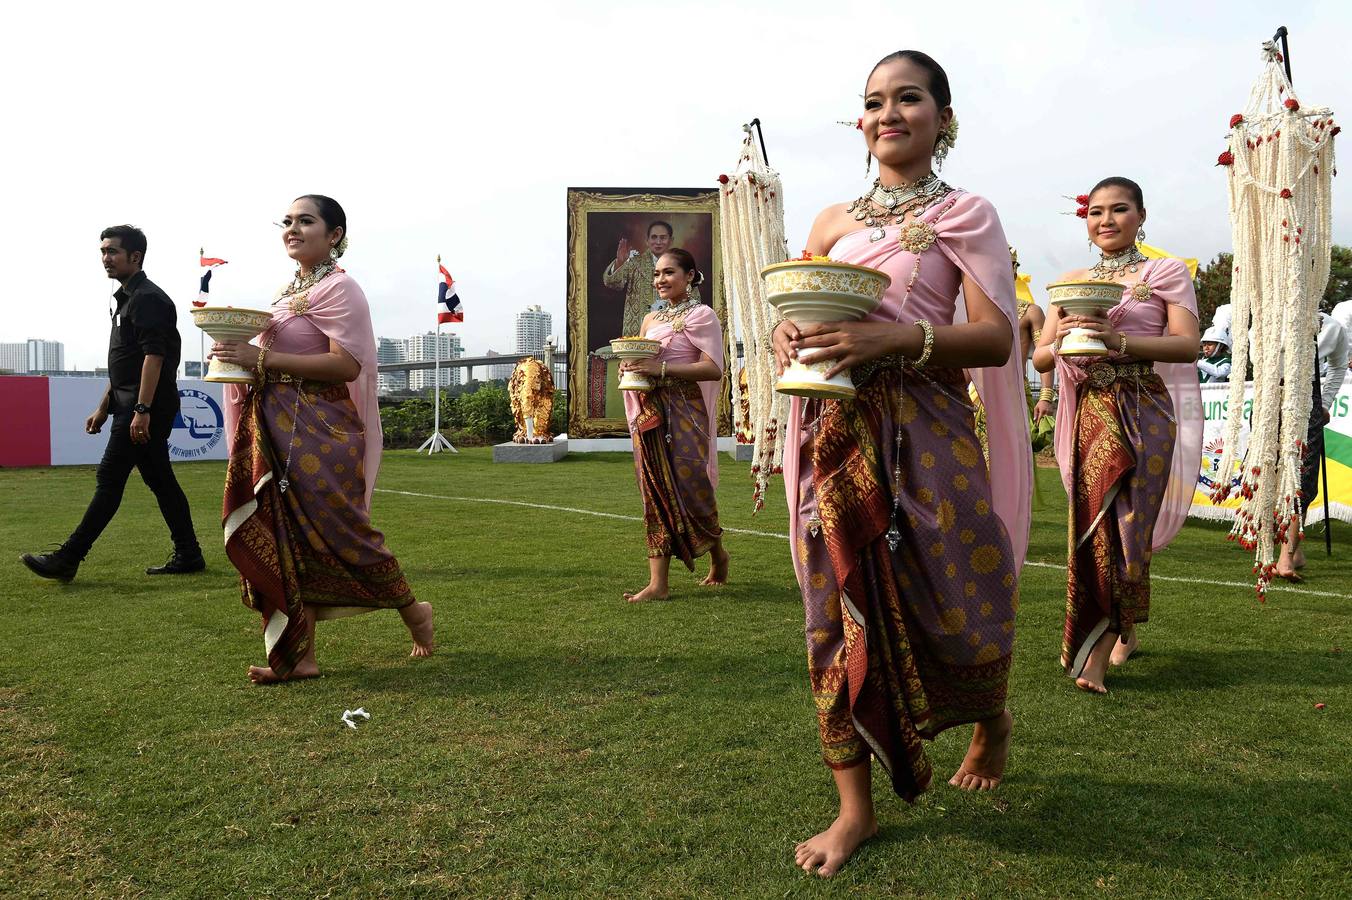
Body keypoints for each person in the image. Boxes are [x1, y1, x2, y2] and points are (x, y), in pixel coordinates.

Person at [773, 50, 1031, 878]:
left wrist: (898, 337)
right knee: (831, 606)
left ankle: (990, 717)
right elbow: (796, 310)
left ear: (942, 119)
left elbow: (996, 337)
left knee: (961, 591)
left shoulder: (968, 214)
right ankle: (855, 810)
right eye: (875, 101)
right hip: (836, 428)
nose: (889, 113)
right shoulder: (828, 221)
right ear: (862, 121)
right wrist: (784, 334)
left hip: (929, 427)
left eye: (909, 98)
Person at [210, 195, 433, 683]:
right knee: (285, 539)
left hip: (321, 431)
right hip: (276, 425)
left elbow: (346, 365)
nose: (292, 229)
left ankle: (415, 611)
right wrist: (237, 356)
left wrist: (260, 360)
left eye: (305, 221)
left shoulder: (341, 289)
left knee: (344, 534)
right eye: (287, 221)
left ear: (333, 235)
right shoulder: (285, 295)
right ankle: (300, 658)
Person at [1033, 177, 1202, 694]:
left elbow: (1189, 346)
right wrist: (1058, 336)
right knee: (1095, 527)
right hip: (1091, 410)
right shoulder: (1069, 282)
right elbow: (1040, 358)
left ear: (1141, 216)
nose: (1106, 220)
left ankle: (1107, 643)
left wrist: (1120, 339)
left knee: (1131, 528)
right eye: (1096, 212)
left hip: (1144, 405)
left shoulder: (1166, 271)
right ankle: (1104, 639)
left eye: (1119, 210)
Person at [21, 225, 204, 582]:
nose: (105, 258)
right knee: (160, 479)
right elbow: (125, 362)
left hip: (145, 407)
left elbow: (154, 357)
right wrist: (104, 406)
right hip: (131, 404)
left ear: (135, 257)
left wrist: (141, 410)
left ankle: (69, 557)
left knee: (110, 477)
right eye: (103, 251)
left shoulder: (148, 298)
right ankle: (189, 553)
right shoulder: (126, 298)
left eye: (112, 252)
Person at [618, 248, 729, 601]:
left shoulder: (703, 315)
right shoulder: (651, 321)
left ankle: (718, 554)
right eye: (656, 274)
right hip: (651, 408)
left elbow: (714, 367)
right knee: (655, 489)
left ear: (690, 276)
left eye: (668, 272)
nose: (660, 280)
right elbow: (642, 358)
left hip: (685, 409)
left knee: (692, 486)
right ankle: (658, 584)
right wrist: (630, 366)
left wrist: (661, 369)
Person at [1276, 310, 1349, 579]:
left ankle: (1285, 559)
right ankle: (1294, 549)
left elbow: (1340, 365)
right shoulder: (1273, 314)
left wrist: (1326, 402)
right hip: (1272, 397)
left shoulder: (1332, 328)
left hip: (1309, 400)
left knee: (1303, 478)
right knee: (1273, 475)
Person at [603, 221, 700, 338]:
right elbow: (613, 283)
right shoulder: (634, 262)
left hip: (673, 332)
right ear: (647, 241)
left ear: (671, 240)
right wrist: (620, 262)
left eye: (663, 238)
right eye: (654, 237)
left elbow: (694, 301)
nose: (658, 242)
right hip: (638, 334)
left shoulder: (682, 265)